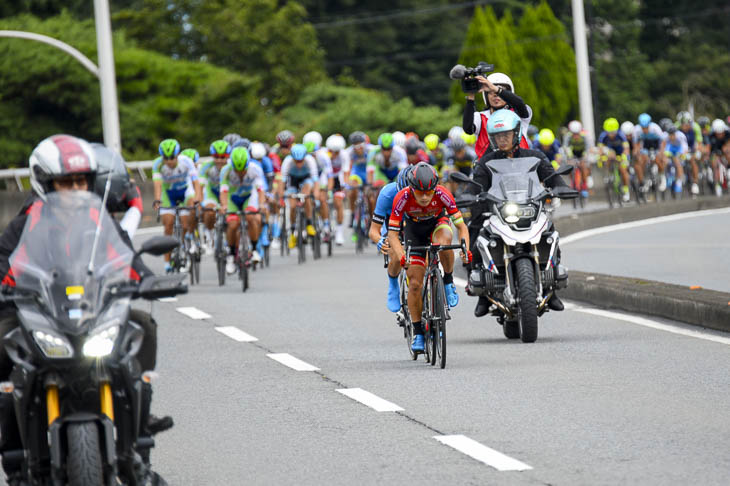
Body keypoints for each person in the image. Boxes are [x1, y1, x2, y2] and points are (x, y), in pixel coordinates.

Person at [0, 135, 171, 483]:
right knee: (4, 341)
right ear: (45, 184)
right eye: (66, 182)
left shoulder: (99, 219)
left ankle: (140, 430)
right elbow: (4, 260)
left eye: (81, 181)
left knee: (142, 326)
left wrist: (148, 280)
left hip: (91, 311)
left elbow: (126, 257)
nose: (75, 188)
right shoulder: (25, 222)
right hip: (42, 311)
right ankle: (14, 453)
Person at [469, 110, 573, 317]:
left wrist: (561, 186)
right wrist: (469, 195)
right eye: (498, 136)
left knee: (550, 235)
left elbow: (551, 175)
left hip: (530, 206)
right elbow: (476, 185)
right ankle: (483, 295)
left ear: (516, 133)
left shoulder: (535, 156)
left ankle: (551, 292)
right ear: (492, 137)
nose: (502, 139)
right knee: (478, 237)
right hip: (498, 210)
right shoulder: (486, 162)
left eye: (506, 135)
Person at [387, 163, 471, 352]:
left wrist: (466, 248)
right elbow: (393, 235)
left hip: (437, 224)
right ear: (411, 188)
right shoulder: (403, 197)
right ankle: (418, 332)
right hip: (413, 231)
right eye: (420, 192)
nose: (425, 197)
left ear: (435, 188)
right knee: (415, 284)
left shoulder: (442, 194)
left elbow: (462, 226)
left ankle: (448, 281)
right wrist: (401, 256)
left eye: (429, 192)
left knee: (444, 241)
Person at [151, 139, 202, 273]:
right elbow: (157, 184)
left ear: (177, 155)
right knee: (168, 224)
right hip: (168, 194)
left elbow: (195, 182)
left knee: (185, 224)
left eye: (172, 157)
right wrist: (157, 200)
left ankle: (185, 240)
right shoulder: (158, 164)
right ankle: (167, 262)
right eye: (166, 158)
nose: (169, 161)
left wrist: (197, 198)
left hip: (185, 191)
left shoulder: (187, 162)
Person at [369, 166, 413, 313]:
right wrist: (380, 240)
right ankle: (393, 284)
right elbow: (373, 231)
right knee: (395, 253)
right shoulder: (387, 194)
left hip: (415, 221)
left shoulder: (424, 192)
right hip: (393, 224)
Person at [462, 72, 532, 158]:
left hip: (519, 167)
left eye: (499, 91)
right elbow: (468, 129)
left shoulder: (519, 114)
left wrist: (495, 89)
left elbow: (519, 104)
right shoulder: (480, 117)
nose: (495, 95)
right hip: (487, 168)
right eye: (491, 92)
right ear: (486, 96)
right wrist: (471, 97)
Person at [219, 146, 265, 273]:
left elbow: (260, 191)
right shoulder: (226, 170)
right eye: (237, 170)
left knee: (252, 217)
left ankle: (255, 249)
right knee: (232, 224)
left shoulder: (255, 169)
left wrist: (261, 205)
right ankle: (231, 254)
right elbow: (223, 191)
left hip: (248, 197)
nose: (240, 173)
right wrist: (223, 206)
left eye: (243, 170)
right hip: (232, 198)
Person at [279, 143, 319, 248]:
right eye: (296, 161)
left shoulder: (310, 160)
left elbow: (315, 180)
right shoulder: (287, 161)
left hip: (306, 179)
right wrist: (281, 195)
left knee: (306, 196)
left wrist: (316, 194)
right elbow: (282, 181)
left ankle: (309, 223)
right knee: (292, 205)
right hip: (293, 180)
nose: (299, 164)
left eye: (301, 161)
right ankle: (292, 232)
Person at [197, 140, 230, 254]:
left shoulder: (232, 166)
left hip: (228, 193)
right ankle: (210, 237)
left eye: (223, 157)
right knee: (209, 212)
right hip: (213, 193)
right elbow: (200, 187)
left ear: (228, 156)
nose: (220, 160)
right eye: (216, 157)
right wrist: (200, 204)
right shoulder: (206, 166)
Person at [303, 131, 334, 238]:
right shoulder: (304, 158)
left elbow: (330, 176)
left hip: (321, 177)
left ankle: (326, 224)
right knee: (306, 196)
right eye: (308, 154)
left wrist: (328, 190)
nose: (311, 157)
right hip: (309, 177)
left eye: (313, 154)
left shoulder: (323, 157)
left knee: (322, 198)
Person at [598, 118, 632, 202]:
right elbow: (600, 149)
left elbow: (626, 148)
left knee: (623, 170)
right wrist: (601, 158)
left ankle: (626, 190)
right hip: (610, 152)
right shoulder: (603, 136)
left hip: (620, 153)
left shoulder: (621, 135)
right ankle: (609, 174)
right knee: (607, 158)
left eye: (613, 132)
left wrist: (624, 157)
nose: (611, 135)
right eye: (609, 132)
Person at [325, 134, 350, 245]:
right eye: (332, 151)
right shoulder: (324, 154)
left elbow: (346, 172)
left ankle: (339, 232)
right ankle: (324, 225)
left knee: (338, 203)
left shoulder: (344, 155)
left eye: (337, 152)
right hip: (325, 178)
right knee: (322, 200)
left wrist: (344, 186)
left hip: (338, 179)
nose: (334, 154)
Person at [632, 113, 666, 192]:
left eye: (646, 127)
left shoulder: (655, 128)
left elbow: (663, 141)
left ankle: (662, 176)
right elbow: (636, 143)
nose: (644, 130)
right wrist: (636, 152)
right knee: (642, 160)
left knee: (657, 160)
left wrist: (661, 152)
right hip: (645, 146)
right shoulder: (637, 130)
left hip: (656, 145)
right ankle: (644, 178)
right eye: (643, 127)